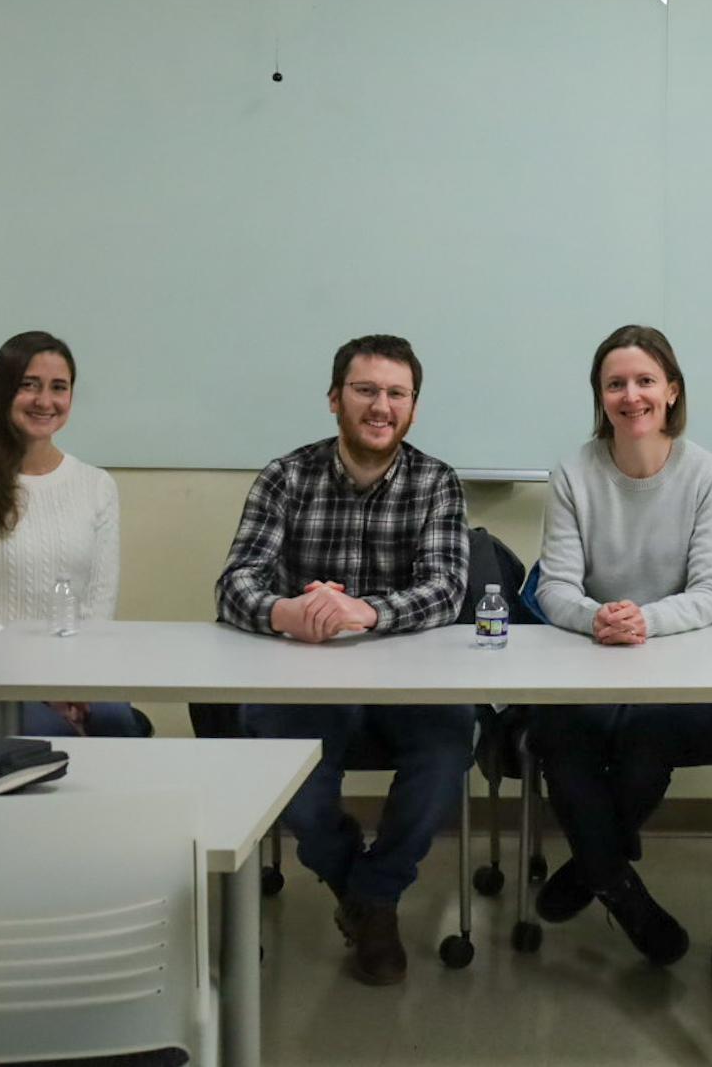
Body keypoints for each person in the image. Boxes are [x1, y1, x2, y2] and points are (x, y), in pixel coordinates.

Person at [215, 334, 470, 987]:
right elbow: (236, 580)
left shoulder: (435, 480)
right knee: (294, 791)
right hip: (309, 674)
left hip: (409, 681)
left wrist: (367, 612)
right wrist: (284, 612)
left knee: (448, 748)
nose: (380, 406)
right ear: (335, 399)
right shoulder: (286, 475)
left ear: (412, 407)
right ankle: (359, 887)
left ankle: (374, 894)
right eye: (365, 390)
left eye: (396, 394)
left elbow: (446, 588)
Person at [527, 324, 712, 966]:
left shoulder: (705, 474)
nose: (631, 395)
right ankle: (620, 885)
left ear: (671, 391)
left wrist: (642, 620)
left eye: (646, 381)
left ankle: (591, 868)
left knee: (650, 746)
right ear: (600, 395)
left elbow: (710, 593)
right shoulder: (572, 472)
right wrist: (596, 619)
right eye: (615, 383)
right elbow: (552, 585)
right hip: (584, 655)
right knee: (560, 739)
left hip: (673, 660)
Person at [0, 331, 139, 737]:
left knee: (117, 724)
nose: (45, 401)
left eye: (59, 388)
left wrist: (74, 683)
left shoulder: (97, 485)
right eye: (29, 385)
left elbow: (98, 604)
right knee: (48, 733)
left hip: (73, 664)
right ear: (1, 392)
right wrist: (44, 690)